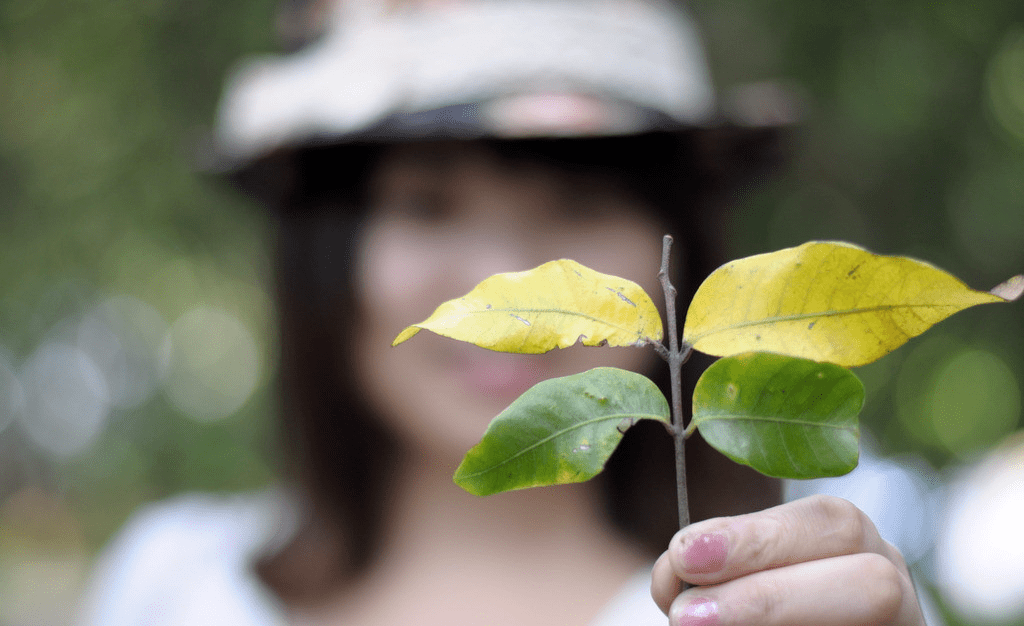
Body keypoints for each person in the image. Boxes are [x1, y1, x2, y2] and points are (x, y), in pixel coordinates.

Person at [79, 1, 928, 625]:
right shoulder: (175, 585)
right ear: (325, 259)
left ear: (681, 254)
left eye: (578, 203)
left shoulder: (803, 593)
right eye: (426, 205)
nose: (506, 290)